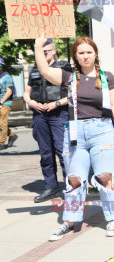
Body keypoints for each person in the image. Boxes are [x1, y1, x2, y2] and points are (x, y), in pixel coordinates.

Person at [34, 34, 114, 241]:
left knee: (105, 176)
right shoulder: (69, 75)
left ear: (95, 54)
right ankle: (70, 220)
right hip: (74, 132)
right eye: (81, 52)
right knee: (74, 180)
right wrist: (38, 47)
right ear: (75, 55)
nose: (85, 56)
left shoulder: (107, 76)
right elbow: (45, 71)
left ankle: (113, 218)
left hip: (102, 130)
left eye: (89, 52)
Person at [23, 39, 71, 203]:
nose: (42, 56)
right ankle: (50, 187)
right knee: (45, 154)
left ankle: (70, 188)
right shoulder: (35, 70)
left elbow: (74, 93)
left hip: (58, 114)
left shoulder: (64, 67)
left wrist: (57, 103)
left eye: (45, 52)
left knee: (63, 152)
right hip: (39, 115)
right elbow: (26, 92)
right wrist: (30, 102)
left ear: (53, 51)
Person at [0, 57, 17, 150]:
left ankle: (1, 143)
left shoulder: (7, 77)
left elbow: (9, 92)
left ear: (2, 66)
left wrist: (1, 102)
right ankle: (12, 135)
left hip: (5, 103)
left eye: (0, 65)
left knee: (3, 123)